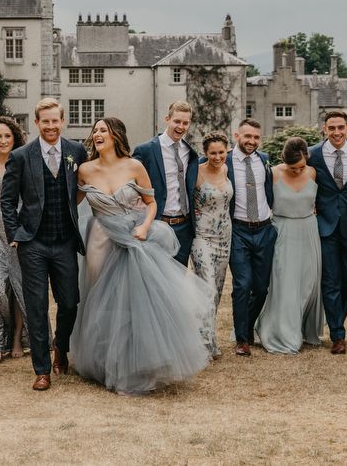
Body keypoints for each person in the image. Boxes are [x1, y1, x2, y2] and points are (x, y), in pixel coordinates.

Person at [72, 117, 211, 394]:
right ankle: (103, 362)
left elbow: (151, 202)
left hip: (133, 236)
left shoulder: (134, 166)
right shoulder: (84, 170)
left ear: (116, 136)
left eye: (103, 130)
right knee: (100, 300)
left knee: (136, 300)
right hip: (100, 238)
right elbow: (70, 203)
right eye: (95, 131)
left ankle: (140, 363)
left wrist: (145, 227)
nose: (97, 134)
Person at [0, 98, 87, 392]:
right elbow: (8, 201)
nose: (51, 126)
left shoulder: (77, 152)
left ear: (63, 121)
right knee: (36, 307)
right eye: (45, 121)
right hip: (33, 244)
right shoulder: (22, 155)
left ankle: (61, 347)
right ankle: (42, 369)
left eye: (55, 121)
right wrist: (15, 233)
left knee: (70, 303)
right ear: (36, 123)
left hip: (64, 242)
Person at [253, 136, 324, 354]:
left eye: (301, 166)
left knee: (308, 282)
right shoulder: (272, 173)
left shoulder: (312, 173)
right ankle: (284, 333)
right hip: (282, 231)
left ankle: (304, 328)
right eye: (292, 167)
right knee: (285, 283)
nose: (297, 171)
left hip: (309, 231)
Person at [307, 111, 347, 355]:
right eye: (331, 128)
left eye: (340, 127)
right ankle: (338, 333)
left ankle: (337, 319)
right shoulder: (312, 154)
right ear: (324, 128)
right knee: (331, 280)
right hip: (325, 225)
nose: (336, 132)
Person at [0, 116, 30, 363]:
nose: (2, 141)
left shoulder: (23, 161)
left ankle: (17, 338)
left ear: (15, 137)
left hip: (17, 226)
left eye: (7, 136)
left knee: (19, 284)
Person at [227, 119, 276, 357]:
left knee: (261, 288)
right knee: (242, 285)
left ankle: (247, 326)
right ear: (237, 135)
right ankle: (242, 339)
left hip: (265, 230)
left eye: (256, 137)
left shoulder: (264, 160)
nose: (252, 141)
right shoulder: (225, 161)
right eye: (248, 136)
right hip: (239, 230)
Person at [132, 101, 199, 266]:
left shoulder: (190, 152)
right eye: (177, 121)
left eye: (185, 123)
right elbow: (130, 180)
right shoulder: (146, 150)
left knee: (179, 278)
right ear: (167, 119)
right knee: (156, 277)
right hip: (158, 223)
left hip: (184, 227)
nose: (181, 126)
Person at [190, 131, 233, 358]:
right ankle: (201, 345)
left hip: (225, 238)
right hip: (201, 237)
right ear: (205, 153)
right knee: (206, 288)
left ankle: (210, 338)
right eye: (213, 153)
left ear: (227, 150)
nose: (217, 157)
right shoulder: (195, 173)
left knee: (216, 291)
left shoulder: (227, 170)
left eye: (221, 152)